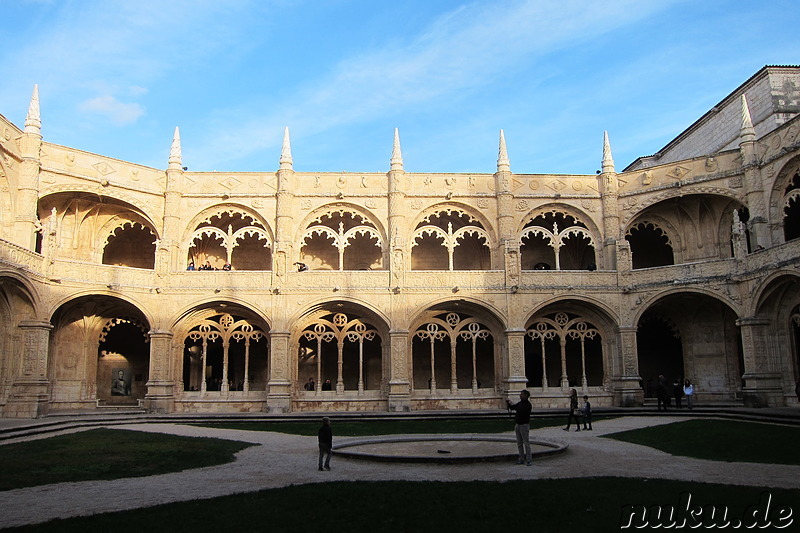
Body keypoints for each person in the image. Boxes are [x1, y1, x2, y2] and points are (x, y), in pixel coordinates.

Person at [506, 389, 533, 466]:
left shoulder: (528, 405)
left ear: (525, 396)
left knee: (526, 443)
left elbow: (521, 410)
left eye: (521, 394)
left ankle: (528, 459)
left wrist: (513, 406)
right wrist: (509, 403)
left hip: (524, 425)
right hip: (518, 425)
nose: (520, 395)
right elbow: (513, 408)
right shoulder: (520, 403)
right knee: (519, 443)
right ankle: (521, 458)